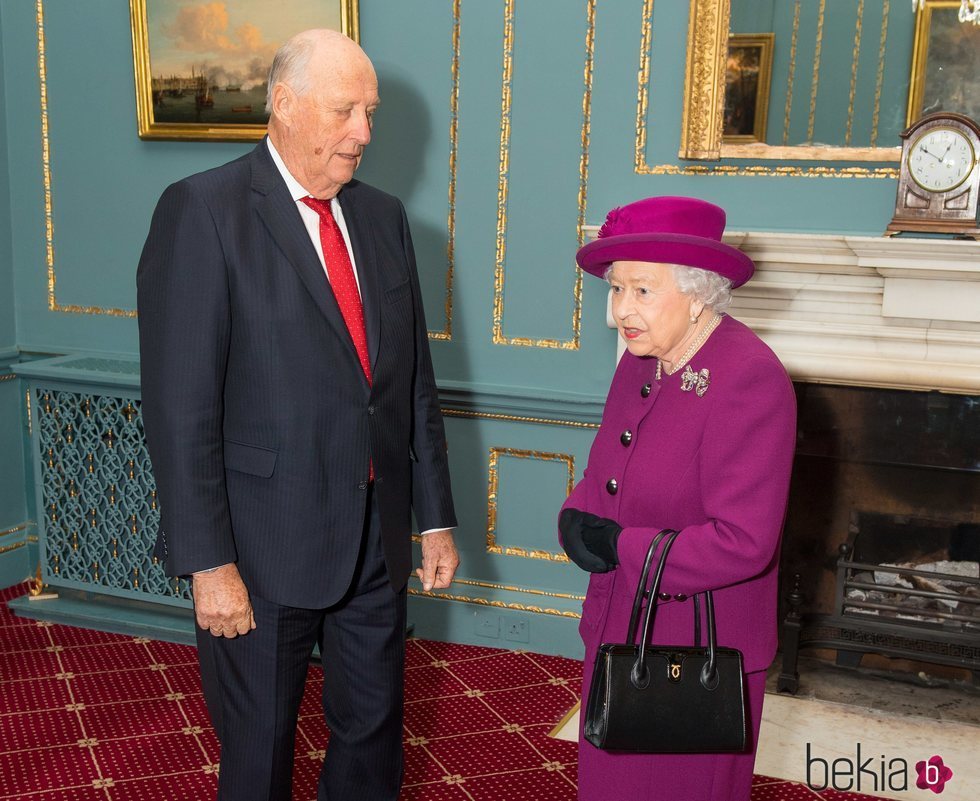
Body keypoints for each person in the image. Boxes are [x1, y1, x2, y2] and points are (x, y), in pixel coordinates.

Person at [137, 29, 458, 801]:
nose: (364, 133)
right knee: (259, 754)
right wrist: (207, 563)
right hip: (259, 549)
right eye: (345, 110)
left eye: (370, 112)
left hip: (376, 544)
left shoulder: (382, 220)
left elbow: (410, 381)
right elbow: (180, 409)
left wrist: (435, 516)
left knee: (373, 737)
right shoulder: (204, 211)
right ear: (282, 105)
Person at [558, 196, 796, 801]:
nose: (620, 313)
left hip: (697, 652)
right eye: (617, 290)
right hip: (619, 629)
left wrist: (626, 547)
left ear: (698, 294)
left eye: (641, 290)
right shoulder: (641, 361)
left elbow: (744, 543)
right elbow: (605, 473)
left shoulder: (750, 377)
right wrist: (575, 517)